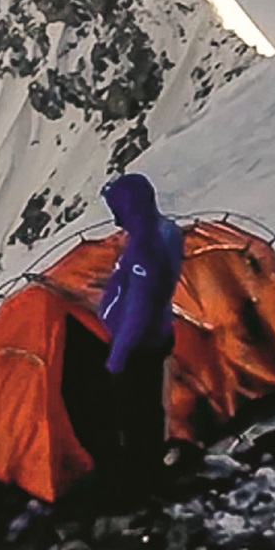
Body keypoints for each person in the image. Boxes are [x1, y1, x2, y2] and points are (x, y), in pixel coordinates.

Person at [59, 172, 183, 502]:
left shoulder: (144, 249)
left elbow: (139, 308)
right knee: (147, 408)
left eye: (117, 207)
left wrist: (118, 353)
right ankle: (149, 471)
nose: (115, 215)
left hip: (139, 345)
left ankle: (139, 482)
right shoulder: (164, 234)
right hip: (155, 336)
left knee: (134, 410)